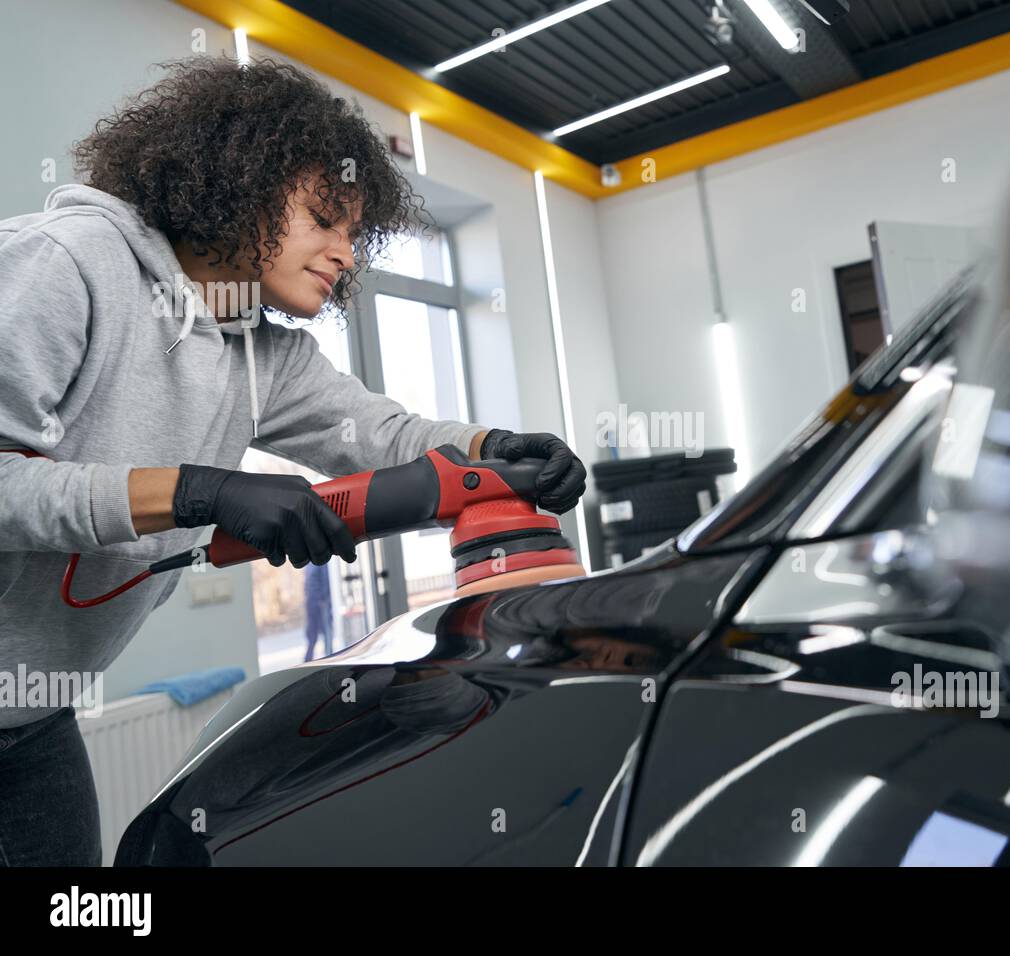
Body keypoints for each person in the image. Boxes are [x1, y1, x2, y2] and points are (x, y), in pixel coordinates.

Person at [0, 56, 586, 866]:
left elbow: (381, 431)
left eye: (354, 231)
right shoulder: (62, 266)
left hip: (31, 721)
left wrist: (497, 449)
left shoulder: (261, 354)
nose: (345, 253)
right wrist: (199, 491)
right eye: (322, 218)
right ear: (232, 184)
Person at [303, 561, 334, 662]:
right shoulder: (312, 563)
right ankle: (310, 660)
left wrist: (322, 599)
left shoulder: (316, 563)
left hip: (317, 603)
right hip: (315, 603)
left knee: (322, 633)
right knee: (317, 633)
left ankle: (328, 658)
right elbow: (309, 584)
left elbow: (325, 581)